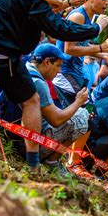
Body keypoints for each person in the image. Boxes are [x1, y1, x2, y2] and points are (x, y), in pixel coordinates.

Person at [0, 0, 108, 169]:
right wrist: (96, 29)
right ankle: (33, 161)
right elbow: (58, 29)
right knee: (32, 101)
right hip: (2, 50)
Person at [26, 43, 92, 178]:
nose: (60, 71)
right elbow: (56, 120)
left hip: (17, 136)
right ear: (46, 62)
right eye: (58, 65)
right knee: (82, 116)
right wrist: (78, 102)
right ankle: (52, 160)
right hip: (28, 145)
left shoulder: (26, 70)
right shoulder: (39, 83)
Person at [54, 0, 108, 106]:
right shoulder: (78, 17)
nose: (107, 3)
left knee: (88, 116)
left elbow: (82, 45)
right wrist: (101, 48)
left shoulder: (89, 17)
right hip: (65, 74)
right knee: (86, 115)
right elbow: (69, 49)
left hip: (76, 74)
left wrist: (103, 55)